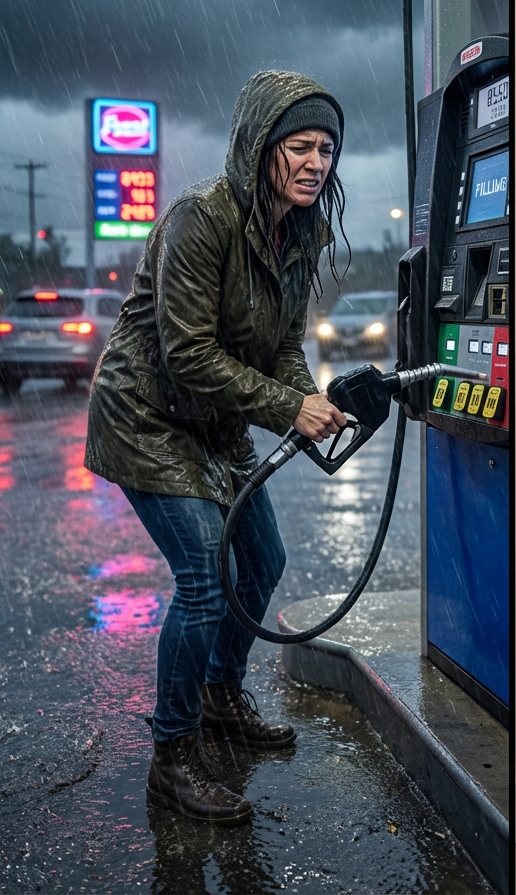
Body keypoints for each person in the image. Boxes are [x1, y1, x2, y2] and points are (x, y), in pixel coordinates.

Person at [85, 71, 350, 824]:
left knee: (264, 562)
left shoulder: (301, 229)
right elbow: (187, 353)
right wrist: (284, 407)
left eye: (326, 149)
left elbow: (284, 346)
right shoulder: (201, 218)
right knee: (206, 580)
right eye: (299, 146)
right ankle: (172, 760)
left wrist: (309, 398)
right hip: (149, 415)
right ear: (262, 147)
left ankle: (221, 695)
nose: (315, 163)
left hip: (217, 423)